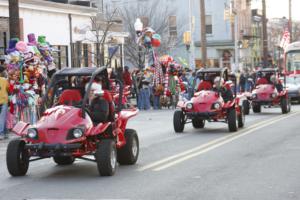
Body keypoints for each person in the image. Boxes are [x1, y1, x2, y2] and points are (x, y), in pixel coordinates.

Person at [0, 66, 8, 140]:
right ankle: (2, 133)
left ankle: (4, 133)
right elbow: (8, 89)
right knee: (3, 118)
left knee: (3, 118)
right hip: (4, 100)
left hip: (2, 100)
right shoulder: (4, 80)